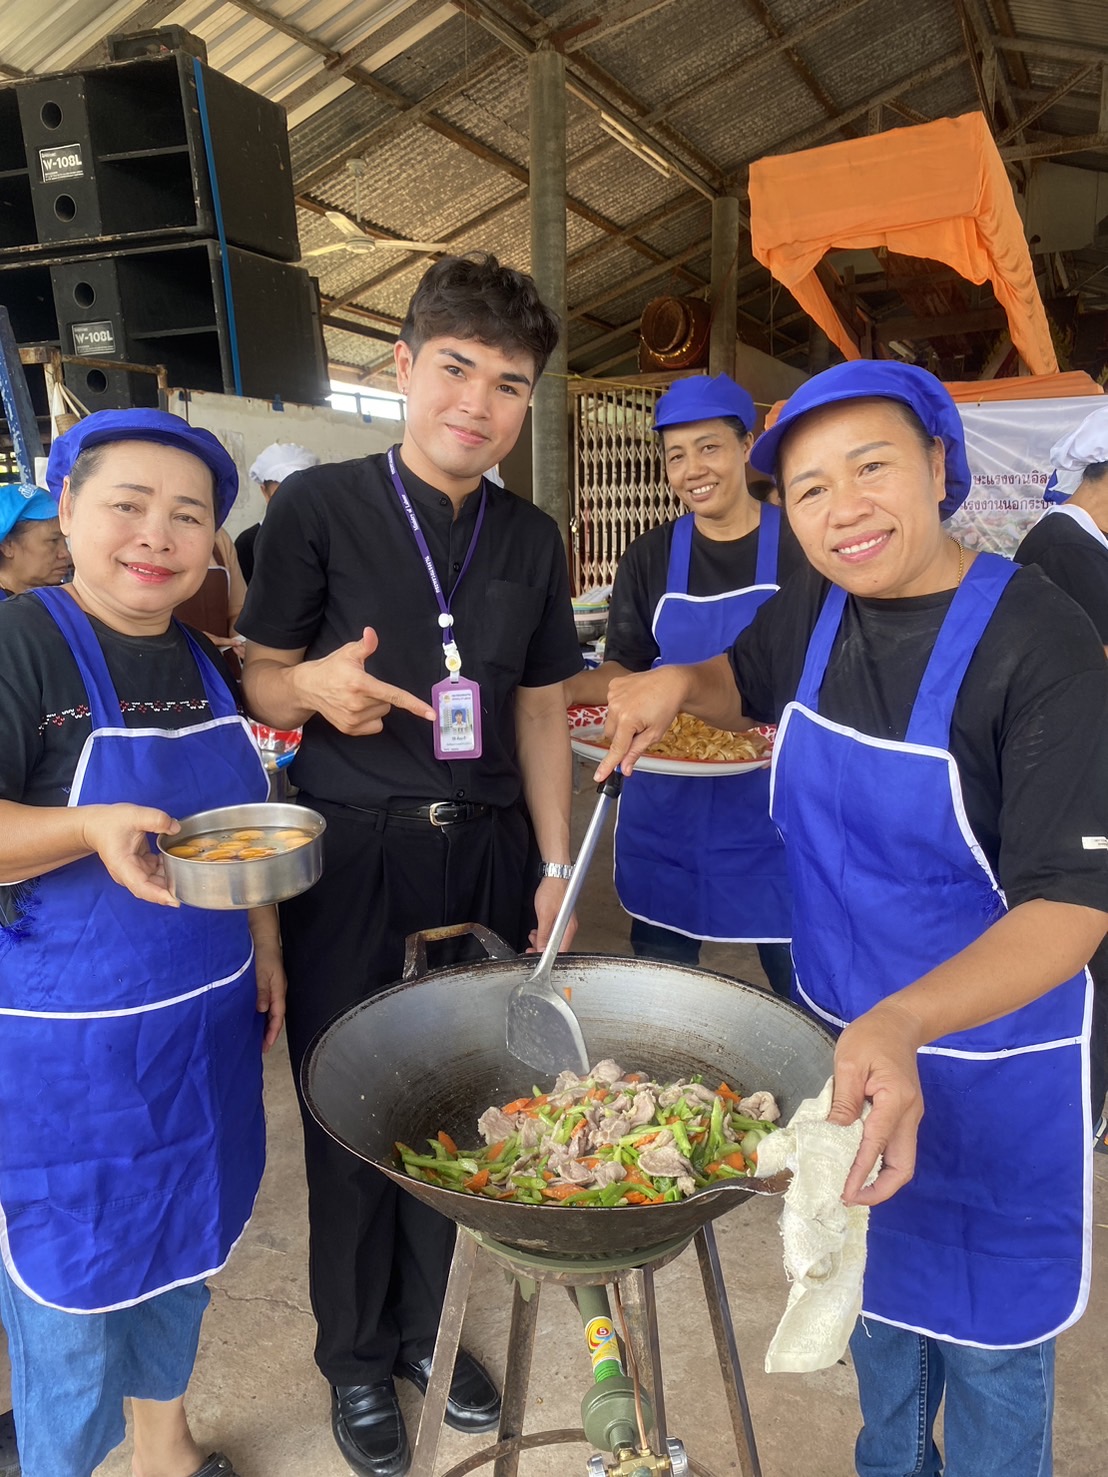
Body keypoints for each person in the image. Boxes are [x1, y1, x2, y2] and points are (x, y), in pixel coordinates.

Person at [598, 360, 1108, 1477]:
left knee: (987, 1351)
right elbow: (738, 679)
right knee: (870, 1311)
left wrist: (904, 1022)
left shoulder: (1041, 640)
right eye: (812, 488)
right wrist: (677, 683)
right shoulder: (814, 610)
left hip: (996, 1063)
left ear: (939, 465)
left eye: (871, 467)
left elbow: (1069, 908)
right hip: (850, 1049)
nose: (844, 509)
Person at [238, 253, 582, 1477]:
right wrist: (308, 687)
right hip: (355, 856)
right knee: (348, 1106)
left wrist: (555, 863)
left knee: (462, 1102)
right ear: (402, 366)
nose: (477, 404)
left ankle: (431, 1332)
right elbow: (259, 675)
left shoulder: (532, 536)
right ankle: (354, 1355)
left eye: (508, 384)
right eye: (455, 368)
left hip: (484, 854)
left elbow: (538, 709)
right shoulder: (317, 507)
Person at [0, 408, 287, 1477]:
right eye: (128, 504)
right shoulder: (21, 644)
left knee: (183, 1250)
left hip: (202, 1031)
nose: (156, 536)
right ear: (69, 511)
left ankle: (166, 1446)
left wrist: (265, 943)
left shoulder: (205, 658)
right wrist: (85, 827)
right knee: (73, 1294)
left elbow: (241, 828)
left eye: (188, 516)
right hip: (69, 1058)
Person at [566, 373, 803, 995]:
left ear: (746, 446)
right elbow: (624, 666)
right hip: (667, 804)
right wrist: (562, 691)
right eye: (676, 455)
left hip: (776, 806)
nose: (692, 469)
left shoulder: (802, 545)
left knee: (799, 981)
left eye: (709, 447)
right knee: (662, 980)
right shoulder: (649, 556)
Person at [1014, 401, 1108, 1134]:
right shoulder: (1060, 549)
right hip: (1076, 791)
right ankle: (1082, 1113)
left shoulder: (1087, 547)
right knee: (1084, 954)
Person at [236, 442, 321, 582]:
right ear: (265, 492)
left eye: (300, 492)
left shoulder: (326, 537)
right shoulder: (248, 543)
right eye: (282, 494)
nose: (292, 502)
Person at [0, 482, 71, 598]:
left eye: (64, 541)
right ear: (7, 545)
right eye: (53, 541)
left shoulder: (65, 599)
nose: (65, 554)